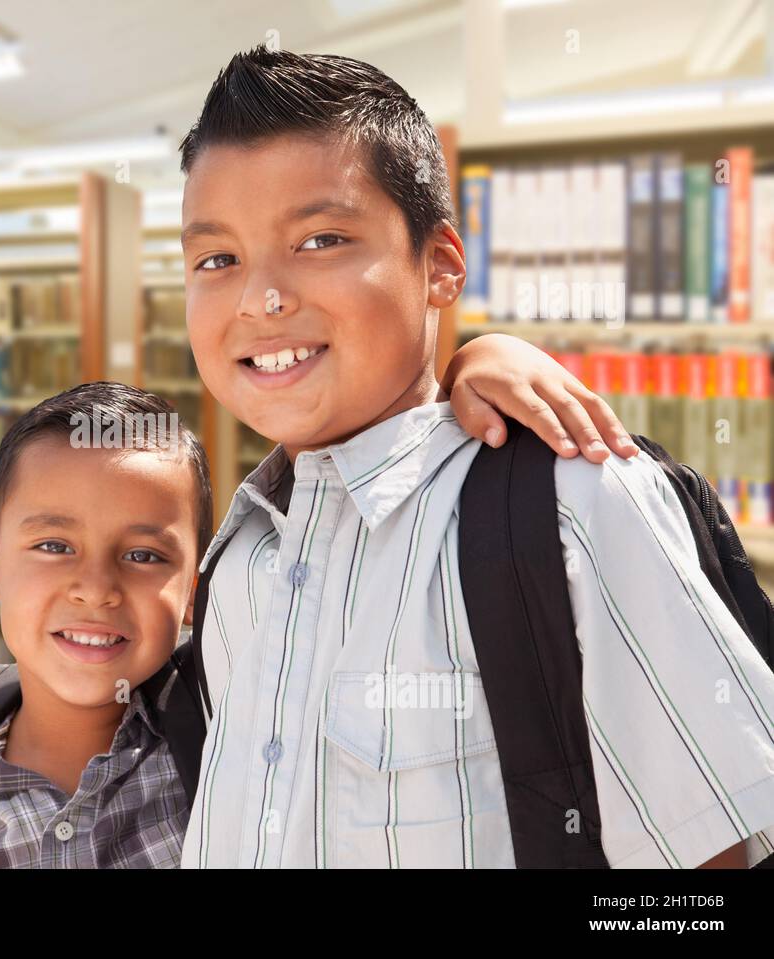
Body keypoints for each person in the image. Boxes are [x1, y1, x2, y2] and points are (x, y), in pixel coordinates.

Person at [177, 45, 774, 868]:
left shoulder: (575, 503)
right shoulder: (238, 560)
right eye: (217, 259)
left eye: (320, 239)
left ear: (441, 265)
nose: (260, 298)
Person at [0, 345, 635, 867]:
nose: (96, 586)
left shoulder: (245, 744)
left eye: (146, 555)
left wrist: (476, 356)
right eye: (53, 545)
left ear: (197, 588)